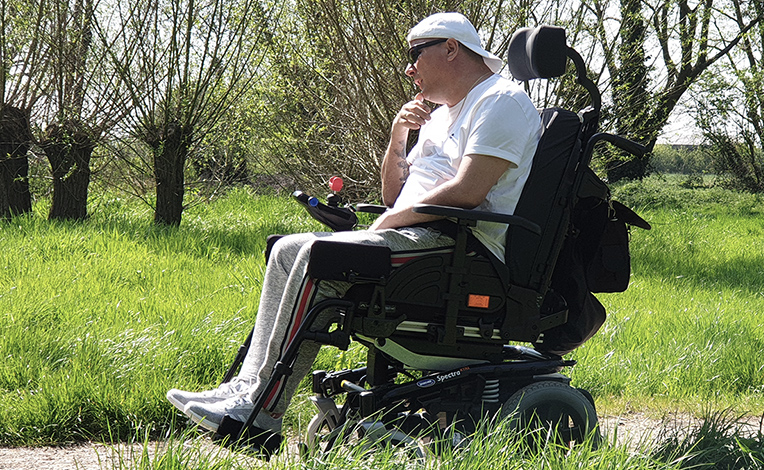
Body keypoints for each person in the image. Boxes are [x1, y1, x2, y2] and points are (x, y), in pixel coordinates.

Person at [166, 11, 541, 436]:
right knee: (287, 249)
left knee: (321, 256)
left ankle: (261, 413)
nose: (409, 69)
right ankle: (246, 388)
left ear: (451, 48)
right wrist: (398, 137)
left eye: (415, 55)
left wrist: (390, 221)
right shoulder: (440, 115)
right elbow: (394, 196)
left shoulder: (500, 100)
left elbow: (468, 191)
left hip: (460, 246)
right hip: (417, 235)